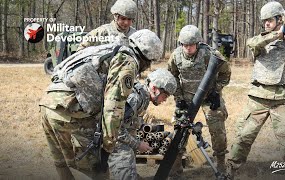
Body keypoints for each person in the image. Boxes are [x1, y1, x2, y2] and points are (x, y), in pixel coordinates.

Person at [40, 29, 163, 180]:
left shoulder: (109, 50)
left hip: (47, 104)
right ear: (147, 57)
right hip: (68, 110)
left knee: (62, 163)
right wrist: (107, 150)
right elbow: (113, 107)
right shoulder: (127, 62)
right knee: (98, 170)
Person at [226, 1, 285, 180]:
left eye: (269, 20)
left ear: (279, 19)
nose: (266, 24)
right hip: (258, 97)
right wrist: (276, 34)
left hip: (282, 98)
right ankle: (230, 171)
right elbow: (251, 44)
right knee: (244, 136)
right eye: (264, 21)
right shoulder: (260, 40)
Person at [167, 25, 231, 176]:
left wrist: (216, 92)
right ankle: (176, 169)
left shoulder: (209, 54)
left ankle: (221, 164)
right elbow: (172, 77)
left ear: (198, 43)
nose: (188, 48)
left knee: (218, 130)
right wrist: (179, 98)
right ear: (180, 44)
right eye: (185, 45)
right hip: (187, 98)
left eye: (191, 45)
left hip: (209, 98)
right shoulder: (176, 56)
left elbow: (225, 73)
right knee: (179, 131)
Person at [108, 69, 177, 180]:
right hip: (116, 143)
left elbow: (130, 123)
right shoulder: (135, 98)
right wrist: (137, 144)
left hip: (123, 142)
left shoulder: (142, 97)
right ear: (154, 89)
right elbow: (115, 128)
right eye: (165, 96)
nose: (164, 100)